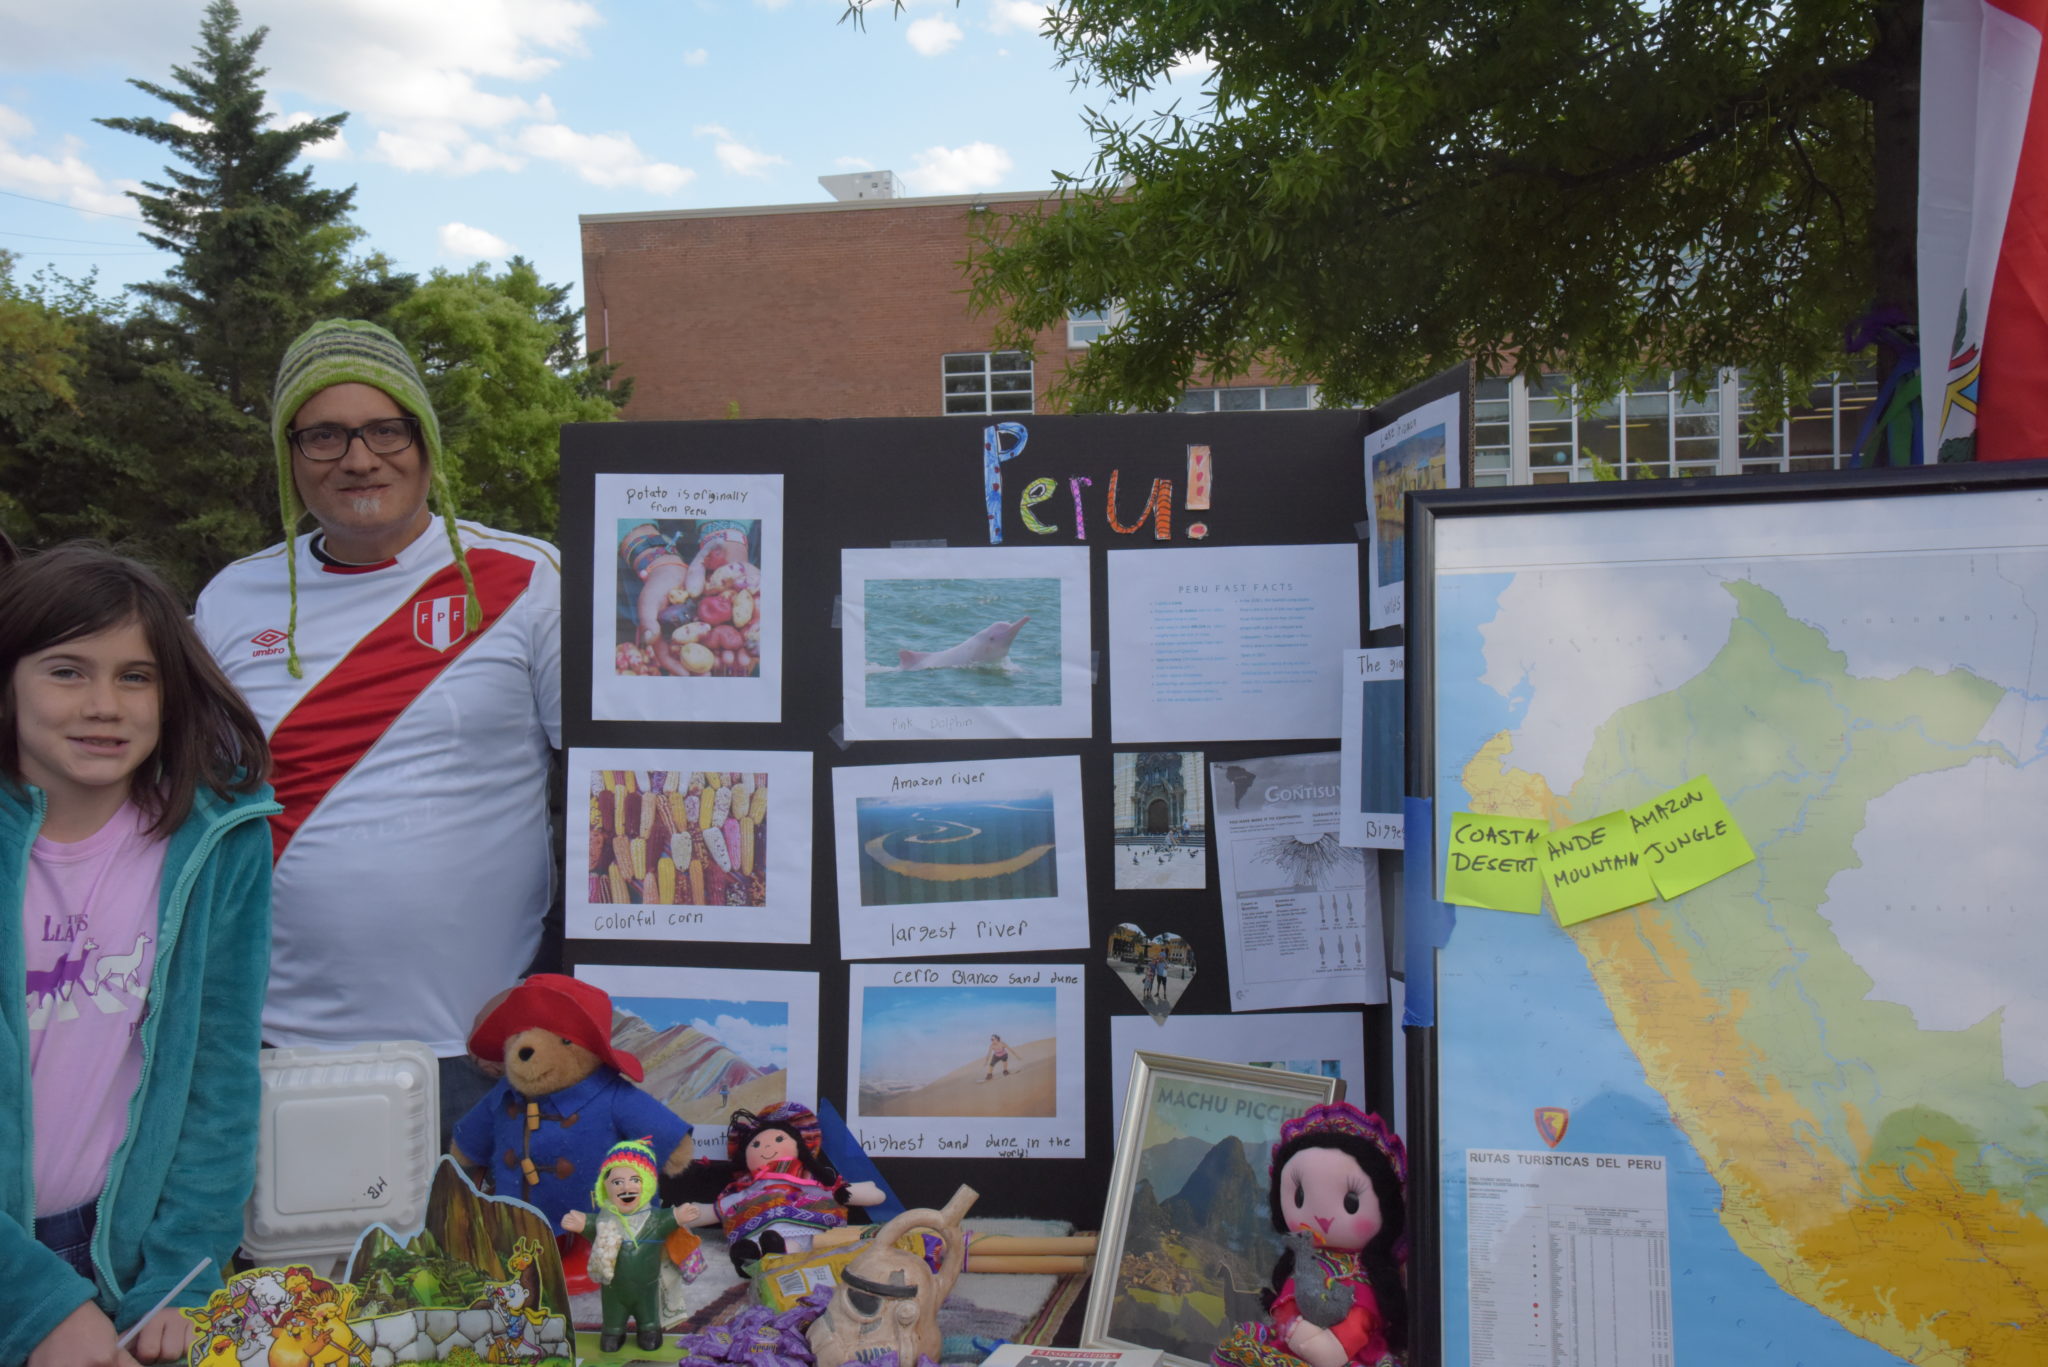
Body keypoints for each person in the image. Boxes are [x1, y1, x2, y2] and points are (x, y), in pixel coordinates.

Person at [193, 320, 561, 1128]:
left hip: (484, 1045)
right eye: (324, 435)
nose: (359, 458)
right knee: (293, 1261)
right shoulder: (230, 599)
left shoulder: (528, 577)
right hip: (276, 1043)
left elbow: (619, 781)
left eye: (384, 428)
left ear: (424, 440)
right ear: (290, 455)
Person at [1, 539, 276, 1367]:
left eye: (135, 675)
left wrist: (184, 1276)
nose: (103, 705)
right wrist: (40, 1306)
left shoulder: (220, 840)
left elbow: (216, 1075)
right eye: (66, 670)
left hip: (119, 1259)